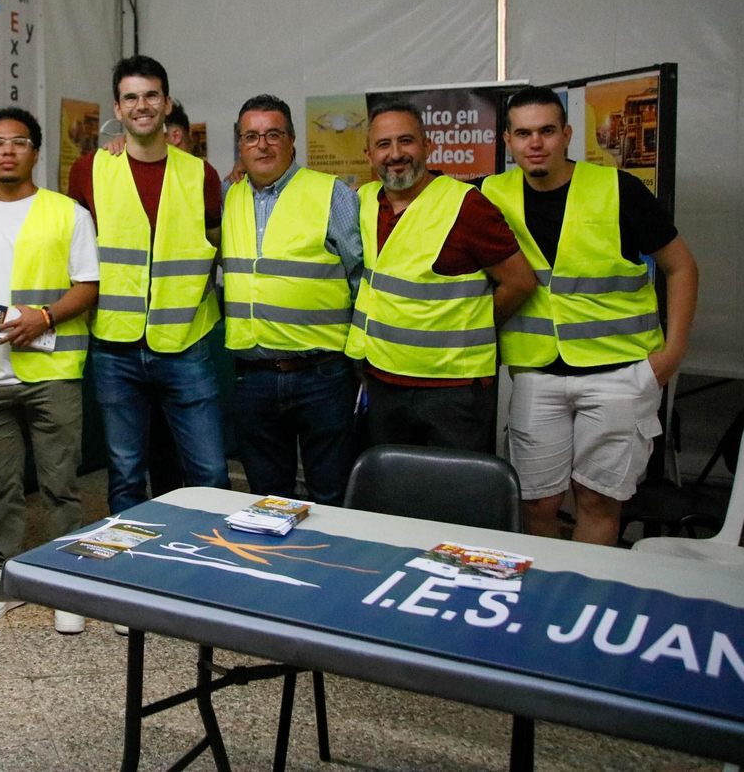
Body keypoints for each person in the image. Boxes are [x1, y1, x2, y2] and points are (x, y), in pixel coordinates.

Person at [483, 86, 698, 544]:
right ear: (507, 141)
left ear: (566, 135)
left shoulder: (617, 188)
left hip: (619, 373)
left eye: (546, 131)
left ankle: (582, 585)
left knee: (597, 500)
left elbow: (681, 267)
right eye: (523, 133)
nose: (535, 143)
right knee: (535, 502)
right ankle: (543, 585)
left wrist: (673, 353)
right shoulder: (490, 194)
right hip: (537, 373)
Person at [68, 56, 230, 514]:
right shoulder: (89, 170)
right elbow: (76, 254)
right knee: (125, 475)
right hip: (114, 347)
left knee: (210, 473)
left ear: (167, 103)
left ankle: (211, 554)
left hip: (186, 344)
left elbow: (217, 249)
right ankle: (131, 558)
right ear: (117, 109)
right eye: (131, 97)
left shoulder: (201, 174)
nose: (142, 105)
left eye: (151, 95)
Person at [0, 107, 99, 633]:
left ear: (35, 152)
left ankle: (68, 582)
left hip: (52, 371)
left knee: (60, 484)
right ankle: (6, 576)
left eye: (19, 142)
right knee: (0, 487)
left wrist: (44, 316)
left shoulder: (68, 213)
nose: (8, 151)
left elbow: (88, 286)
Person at [346, 101, 538, 452]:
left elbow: (520, 282)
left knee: (453, 485)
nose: (395, 154)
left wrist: (472, 327)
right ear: (369, 155)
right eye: (384, 144)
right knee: (391, 483)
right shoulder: (364, 201)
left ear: (427, 145)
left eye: (406, 141)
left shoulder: (466, 205)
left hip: (454, 390)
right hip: (384, 383)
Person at [222, 95, 363, 505]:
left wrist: (360, 360)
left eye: (273, 134)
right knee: (268, 499)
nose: (262, 145)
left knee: (332, 495)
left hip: (322, 376)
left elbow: (360, 278)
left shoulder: (331, 194)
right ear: (240, 145)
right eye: (251, 136)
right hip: (253, 376)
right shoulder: (227, 197)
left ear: (292, 139)